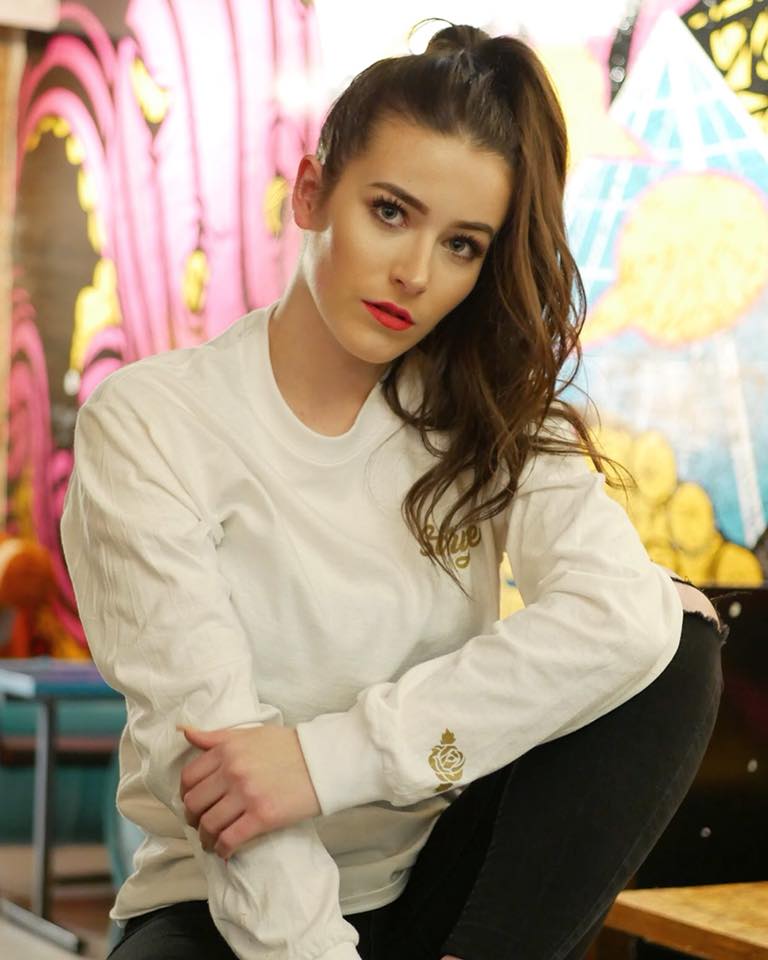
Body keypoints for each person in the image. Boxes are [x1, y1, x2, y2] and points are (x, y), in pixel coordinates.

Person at [60, 21, 727, 960]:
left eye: (461, 245)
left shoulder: (488, 415)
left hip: (435, 890)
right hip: (222, 901)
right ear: (311, 192)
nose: (416, 273)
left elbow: (622, 618)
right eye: (389, 212)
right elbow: (216, 774)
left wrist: (324, 762)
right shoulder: (152, 423)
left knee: (675, 648)